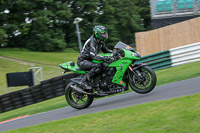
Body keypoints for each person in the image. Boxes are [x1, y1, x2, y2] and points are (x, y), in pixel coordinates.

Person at [77, 25, 113, 89]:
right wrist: (105, 58)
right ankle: (84, 82)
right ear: (97, 34)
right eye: (103, 34)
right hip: (82, 61)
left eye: (105, 33)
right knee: (97, 66)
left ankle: (99, 83)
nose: (104, 35)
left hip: (89, 60)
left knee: (105, 65)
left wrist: (115, 52)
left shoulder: (100, 42)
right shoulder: (92, 41)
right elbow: (93, 56)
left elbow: (106, 51)